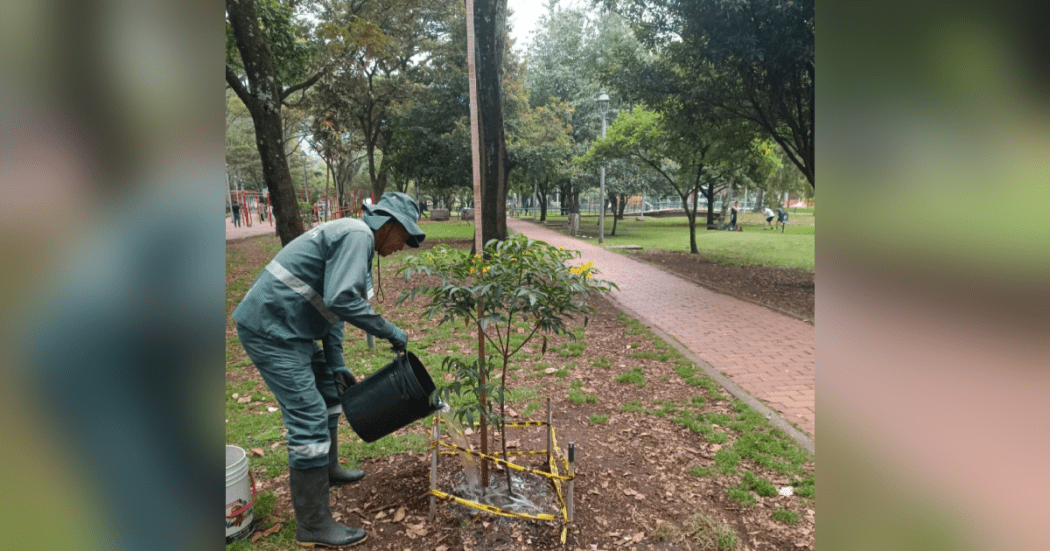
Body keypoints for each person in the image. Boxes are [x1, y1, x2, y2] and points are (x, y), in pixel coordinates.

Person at [232, 191, 425, 547]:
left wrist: (336, 364)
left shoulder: (359, 245)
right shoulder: (358, 235)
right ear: (387, 224)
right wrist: (390, 331)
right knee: (308, 418)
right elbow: (342, 300)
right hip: (272, 329)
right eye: (404, 237)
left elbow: (334, 314)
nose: (403, 246)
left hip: (293, 328)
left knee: (330, 393)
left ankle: (330, 468)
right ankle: (313, 525)